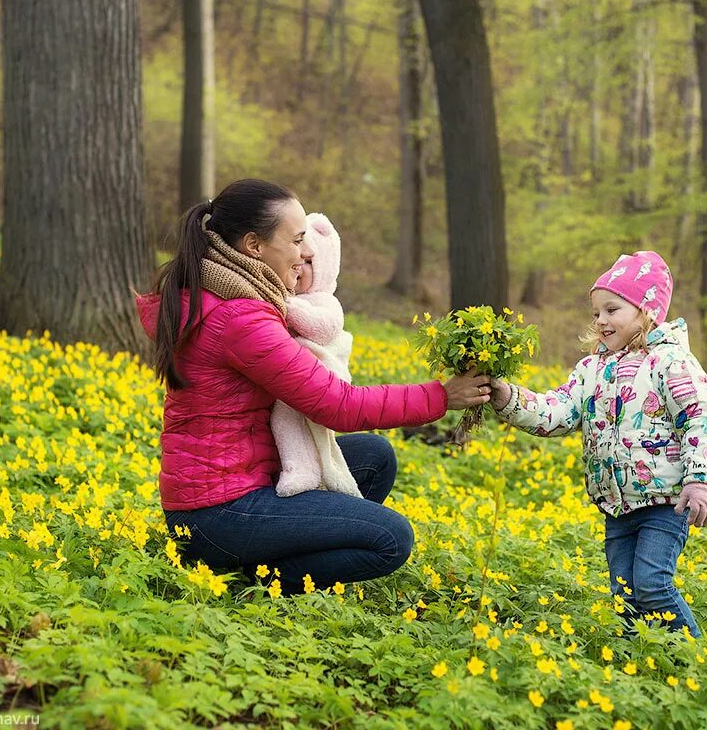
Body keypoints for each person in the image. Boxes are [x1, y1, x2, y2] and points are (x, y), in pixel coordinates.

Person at [135, 178, 490, 595]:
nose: (307, 253)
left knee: (374, 458)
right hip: (218, 512)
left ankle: (269, 559)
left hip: (239, 486)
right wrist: (442, 396)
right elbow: (337, 406)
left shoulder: (227, 294)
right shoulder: (240, 319)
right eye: (297, 239)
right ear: (254, 246)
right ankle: (250, 582)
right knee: (391, 539)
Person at [487, 250, 707, 637]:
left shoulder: (670, 362)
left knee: (651, 584)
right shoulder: (591, 370)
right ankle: (638, 666)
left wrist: (700, 480)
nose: (600, 321)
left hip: (665, 502)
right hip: (616, 504)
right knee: (624, 594)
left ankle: (698, 662)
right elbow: (557, 412)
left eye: (612, 310)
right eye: (596, 312)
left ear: (645, 311)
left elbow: (700, 416)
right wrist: (507, 397)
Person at [270, 212, 362, 498]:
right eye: (300, 258)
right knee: (285, 421)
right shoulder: (292, 297)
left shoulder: (324, 300)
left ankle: (308, 473)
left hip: (324, 374)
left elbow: (323, 329)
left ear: (325, 268)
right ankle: (300, 470)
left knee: (299, 424)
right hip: (298, 378)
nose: (301, 266)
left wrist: (287, 306)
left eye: (311, 262)